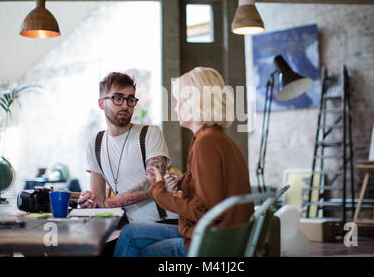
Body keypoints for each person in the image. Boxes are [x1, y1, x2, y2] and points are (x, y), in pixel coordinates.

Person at [113, 67, 253, 257]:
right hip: (225, 238)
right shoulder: (216, 137)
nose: (176, 107)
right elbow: (212, 189)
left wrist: (158, 190)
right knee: (130, 233)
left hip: (210, 247)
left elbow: (203, 210)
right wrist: (183, 182)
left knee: (140, 250)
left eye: (179, 101)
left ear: (196, 103)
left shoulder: (206, 143)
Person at [78, 72, 178, 227]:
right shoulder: (95, 143)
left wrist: (108, 203)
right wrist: (91, 200)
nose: (125, 105)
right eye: (118, 98)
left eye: (130, 99)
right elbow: (98, 197)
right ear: (101, 103)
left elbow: (153, 182)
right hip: (130, 226)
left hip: (166, 223)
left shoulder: (150, 133)